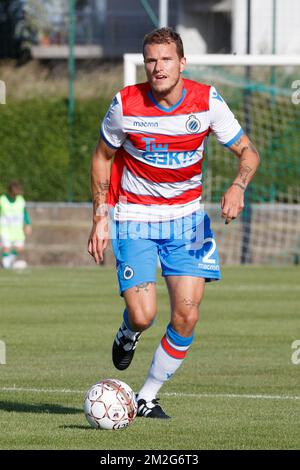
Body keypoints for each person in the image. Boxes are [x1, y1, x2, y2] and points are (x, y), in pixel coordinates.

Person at [88, 27, 260, 419]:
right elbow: (102, 156)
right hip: (135, 217)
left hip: (189, 221)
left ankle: (147, 396)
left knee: (187, 314)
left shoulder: (207, 101)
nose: (157, 67)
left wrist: (238, 186)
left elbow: (248, 152)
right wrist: (101, 215)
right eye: (151, 59)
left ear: (182, 62)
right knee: (144, 315)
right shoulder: (125, 104)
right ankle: (129, 332)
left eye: (166, 59)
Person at [0, 181, 32, 269]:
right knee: (7, 247)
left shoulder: (20, 200)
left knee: (20, 247)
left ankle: (8, 262)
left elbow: (24, 213)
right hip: (5, 229)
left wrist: (28, 224)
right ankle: (6, 265)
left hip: (17, 229)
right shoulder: (2, 200)